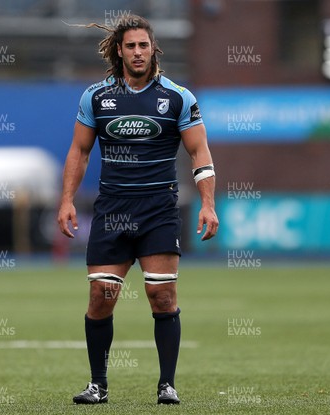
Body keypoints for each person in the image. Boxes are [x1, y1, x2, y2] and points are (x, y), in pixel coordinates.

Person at [57, 14, 218, 405]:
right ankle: (98, 385)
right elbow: (79, 151)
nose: (138, 52)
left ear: (153, 48)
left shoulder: (178, 97)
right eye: (130, 45)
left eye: (144, 45)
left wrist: (208, 204)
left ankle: (167, 384)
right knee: (101, 295)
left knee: (161, 297)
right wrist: (65, 200)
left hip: (158, 208)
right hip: (112, 208)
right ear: (119, 51)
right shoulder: (96, 97)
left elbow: (199, 151)